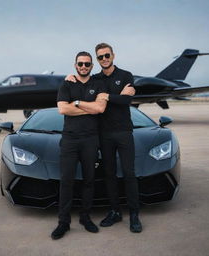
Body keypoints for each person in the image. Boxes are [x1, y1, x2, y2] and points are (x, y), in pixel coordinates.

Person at [66, 43, 142, 233]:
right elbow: (83, 87)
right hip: (103, 134)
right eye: (100, 57)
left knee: (129, 173)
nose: (104, 59)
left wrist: (107, 96)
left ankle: (134, 215)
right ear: (96, 60)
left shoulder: (125, 75)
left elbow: (127, 100)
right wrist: (70, 78)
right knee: (109, 175)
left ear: (113, 55)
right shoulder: (96, 79)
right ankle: (115, 211)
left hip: (124, 132)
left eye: (106, 55)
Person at [51, 51, 107, 240]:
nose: (84, 66)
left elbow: (100, 108)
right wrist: (88, 108)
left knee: (89, 180)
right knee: (66, 181)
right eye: (80, 64)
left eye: (87, 64)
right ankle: (63, 222)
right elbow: (62, 109)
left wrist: (76, 104)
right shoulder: (66, 84)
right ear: (75, 65)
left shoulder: (98, 84)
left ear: (92, 66)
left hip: (91, 140)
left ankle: (85, 217)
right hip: (70, 140)